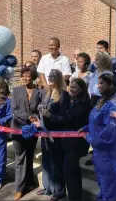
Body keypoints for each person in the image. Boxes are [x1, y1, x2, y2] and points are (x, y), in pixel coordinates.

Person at [35, 78, 91, 200]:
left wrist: (51, 116)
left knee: (71, 172)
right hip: (66, 142)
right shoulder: (72, 100)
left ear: (82, 89)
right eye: (71, 86)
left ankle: (75, 198)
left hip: (76, 143)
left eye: (75, 87)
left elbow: (69, 119)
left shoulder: (84, 103)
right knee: (69, 172)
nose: (71, 89)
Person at [78, 73, 116, 201]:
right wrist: (87, 128)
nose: (98, 86)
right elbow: (98, 121)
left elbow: (109, 134)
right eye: (98, 83)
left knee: (110, 190)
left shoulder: (114, 106)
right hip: (100, 154)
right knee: (103, 187)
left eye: (102, 83)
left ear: (111, 85)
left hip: (110, 155)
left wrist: (89, 138)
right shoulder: (102, 101)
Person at [35, 69, 70, 201]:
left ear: (59, 79)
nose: (50, 78)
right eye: (49, 76)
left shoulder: (64, 95)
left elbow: (64, 116)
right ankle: (47, 187)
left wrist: (50, 116)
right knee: (46, 161)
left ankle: (59, 191)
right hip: (44, 132)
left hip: (56, 134)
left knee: (56, 162)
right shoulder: (46, 92)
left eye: (54, 76)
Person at [10, 67, 42, 200]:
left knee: (29, 156)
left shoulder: (39, 92)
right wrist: (29, 116)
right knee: (20, 158)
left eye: (28, 76)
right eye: (23, 76)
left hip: (32, 130)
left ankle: (29, 183)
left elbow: (40, 108)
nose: (25, 78)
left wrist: (37, 118)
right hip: (18, 128)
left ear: (33, 77)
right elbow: (15, 110)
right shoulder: (16, 90)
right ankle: (19, 188)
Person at [85, 51, 113, 166]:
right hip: (92, 100)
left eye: (98, 59)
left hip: (102, 100)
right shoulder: (95, 72)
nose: (95, 61)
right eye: (95, 59)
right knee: (94, 129)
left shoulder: (107, 73)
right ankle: (95, 156)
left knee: (101, 130)